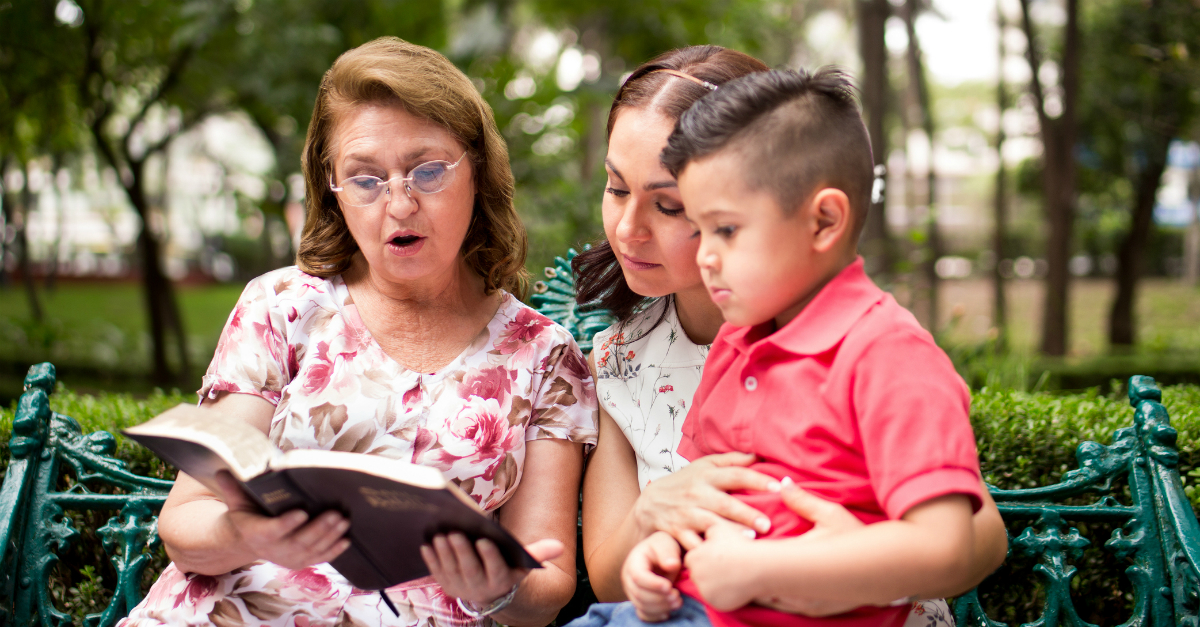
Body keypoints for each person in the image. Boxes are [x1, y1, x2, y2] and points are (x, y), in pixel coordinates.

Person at [120, 37, 596, 627]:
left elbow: (546, 592)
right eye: (366, 179)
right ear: (333, 190)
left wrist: (496, 585)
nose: (399, 204)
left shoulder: (545, 356)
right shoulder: (283, 306)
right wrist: (246, 533)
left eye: (427, 171)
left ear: (477, 172)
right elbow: (186, 526)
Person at [572, 47, 1007, 627]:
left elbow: (974, 537)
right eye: (617, 188)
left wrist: (821, 566)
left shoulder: (871, 346)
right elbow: (610, 576)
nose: (628, 229)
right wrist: (656, 518)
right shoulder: (631, 357)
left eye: (671, 206)